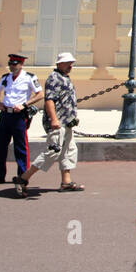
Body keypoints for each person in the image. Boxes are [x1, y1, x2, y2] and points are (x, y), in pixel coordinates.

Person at [16, 52, 82, 196]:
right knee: (52, 152)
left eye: (71, 63)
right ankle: (23, 178)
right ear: (59, 64)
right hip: (57, 122)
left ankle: (66, 182)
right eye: (67, 63)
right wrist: (54, 119)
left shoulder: (64, 78)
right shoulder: (54, 78)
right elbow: (49, 100)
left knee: (68, 151)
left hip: (67, 122)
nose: (70, 65)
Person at [0, 53, 41, 185]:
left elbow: (40, 94)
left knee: (21, 147)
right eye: (10, 63)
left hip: (19, 115)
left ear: (21, 64)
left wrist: (24, 105)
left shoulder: (29, 77)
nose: (11, 66)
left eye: (14, 63)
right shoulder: (6, 77)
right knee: (0, 146)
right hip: (6, 114)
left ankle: (22, 176)